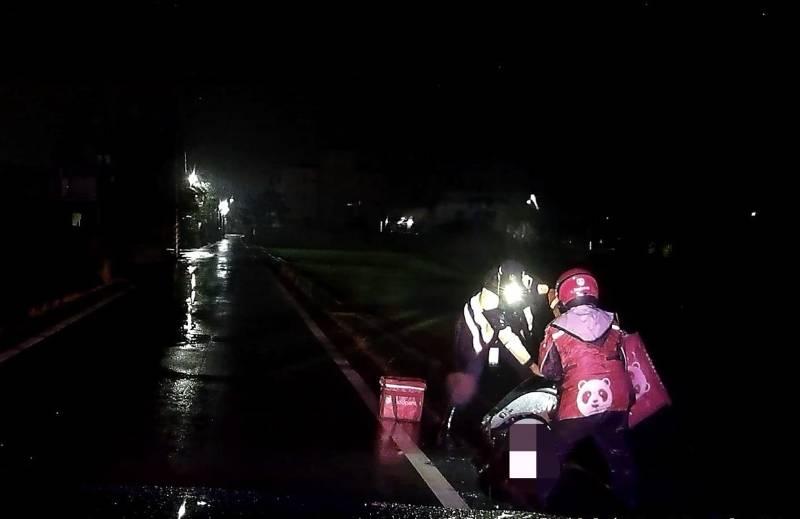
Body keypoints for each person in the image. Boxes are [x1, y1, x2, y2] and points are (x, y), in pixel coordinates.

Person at [537, 268, 637, 510]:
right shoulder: (614, 320)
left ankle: (534, 499)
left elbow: (547, 370)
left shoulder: (555, 328)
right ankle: (630, 503)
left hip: (578, 404)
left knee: (545, 446)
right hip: (618, 400)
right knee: (618, 454)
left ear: (563, 294)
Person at [443, 260, 541, 444]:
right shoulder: (490, 295)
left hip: (503, 330)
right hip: (477, 331)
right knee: (471, 376)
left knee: (525, 377)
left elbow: (540, 290)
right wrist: (530, 363)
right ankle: (448, 429)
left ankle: (520, 430)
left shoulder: (526, 281)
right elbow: (506, 336)